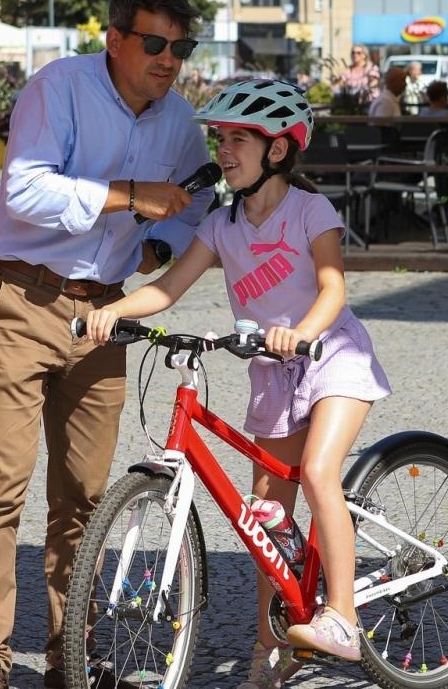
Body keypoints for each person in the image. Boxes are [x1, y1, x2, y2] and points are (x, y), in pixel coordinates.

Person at [82, 79, 391, 689]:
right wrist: (114, 311)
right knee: (266, 519)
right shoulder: (223, 226)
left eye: (239, 139)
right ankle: (269, 649)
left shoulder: (310, 210)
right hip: (271, 373)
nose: (224, 150)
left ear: (277, 150)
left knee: (321, 473)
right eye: (220, 138)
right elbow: (169, 288)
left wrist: (299, 332)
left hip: (331, 354)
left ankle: (345, 619)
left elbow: (333, 287)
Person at [0, 0, 213, 689]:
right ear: (115, 37)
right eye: (155, 43)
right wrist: (133, 194)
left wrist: (157, 250)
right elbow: (26, 190)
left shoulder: (179, 121)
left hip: (105, 314)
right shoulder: (58, 88)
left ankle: (72, 657)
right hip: (21, 298)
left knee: (86, 497)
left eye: (181, 46)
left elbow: (195, 208)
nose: (169, 60)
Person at [419, 80, 448, 148]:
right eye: (447, 96)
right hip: (444, 149)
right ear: (443, 97)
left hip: (423, 148)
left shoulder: (422, 113)